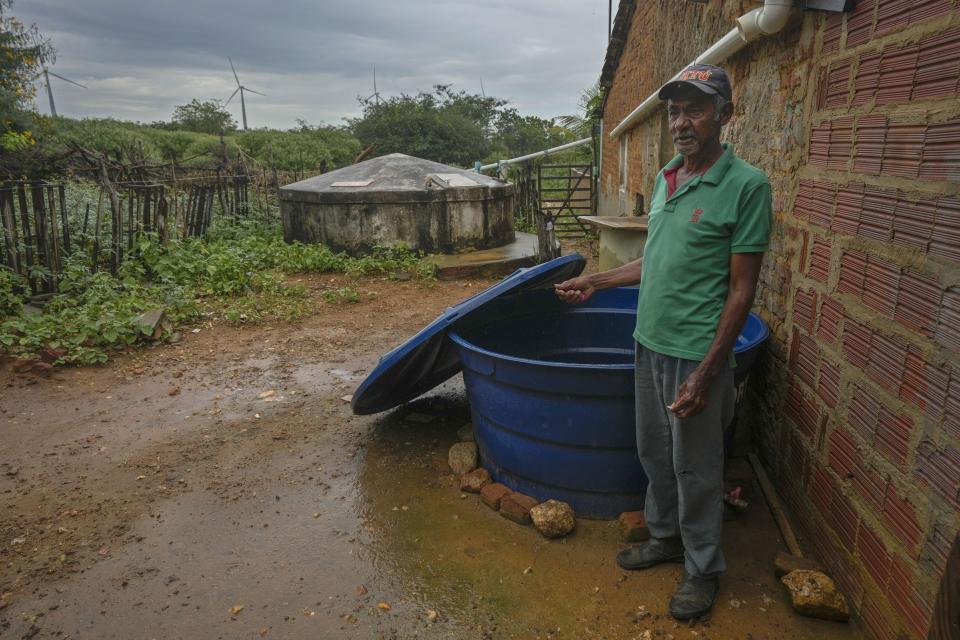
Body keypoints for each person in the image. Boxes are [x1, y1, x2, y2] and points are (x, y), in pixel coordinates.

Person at [555, 64, 772, 620]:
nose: (681, 122)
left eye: (695, 109)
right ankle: (666, 537)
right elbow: (656, 261)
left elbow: (742, 291)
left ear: (725, 115)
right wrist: (596, 279)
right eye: (675, 111)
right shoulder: (666, 177)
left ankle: (703, 568)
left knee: (696, 467)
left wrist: (707, 370)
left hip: (696, 353)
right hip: (647, 342)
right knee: (654, 452)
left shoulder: (746, 186)